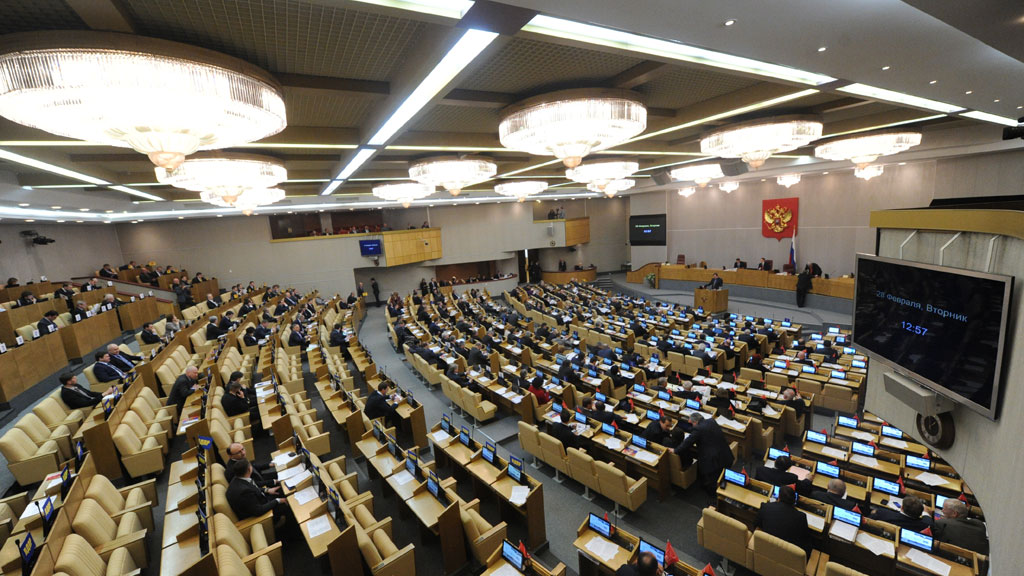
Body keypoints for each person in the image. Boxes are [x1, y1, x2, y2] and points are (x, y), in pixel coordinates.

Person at [674, 412, 734, 500]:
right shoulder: (711, 421)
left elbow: (687, 443)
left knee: (713, 480)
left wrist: (675, 450)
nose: (692, 426)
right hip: (724, 453)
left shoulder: (698, 429)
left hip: (713, 460)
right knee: (720, 474)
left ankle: (714, 497)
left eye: (692, 424)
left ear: (695, 422)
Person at [755, 485, 813, 557]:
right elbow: (805, 539)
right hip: (788, 555)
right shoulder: (801, 517)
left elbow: (756, 524)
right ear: (794, 501)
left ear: (779, 497)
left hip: (766, 548)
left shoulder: (765, 507)